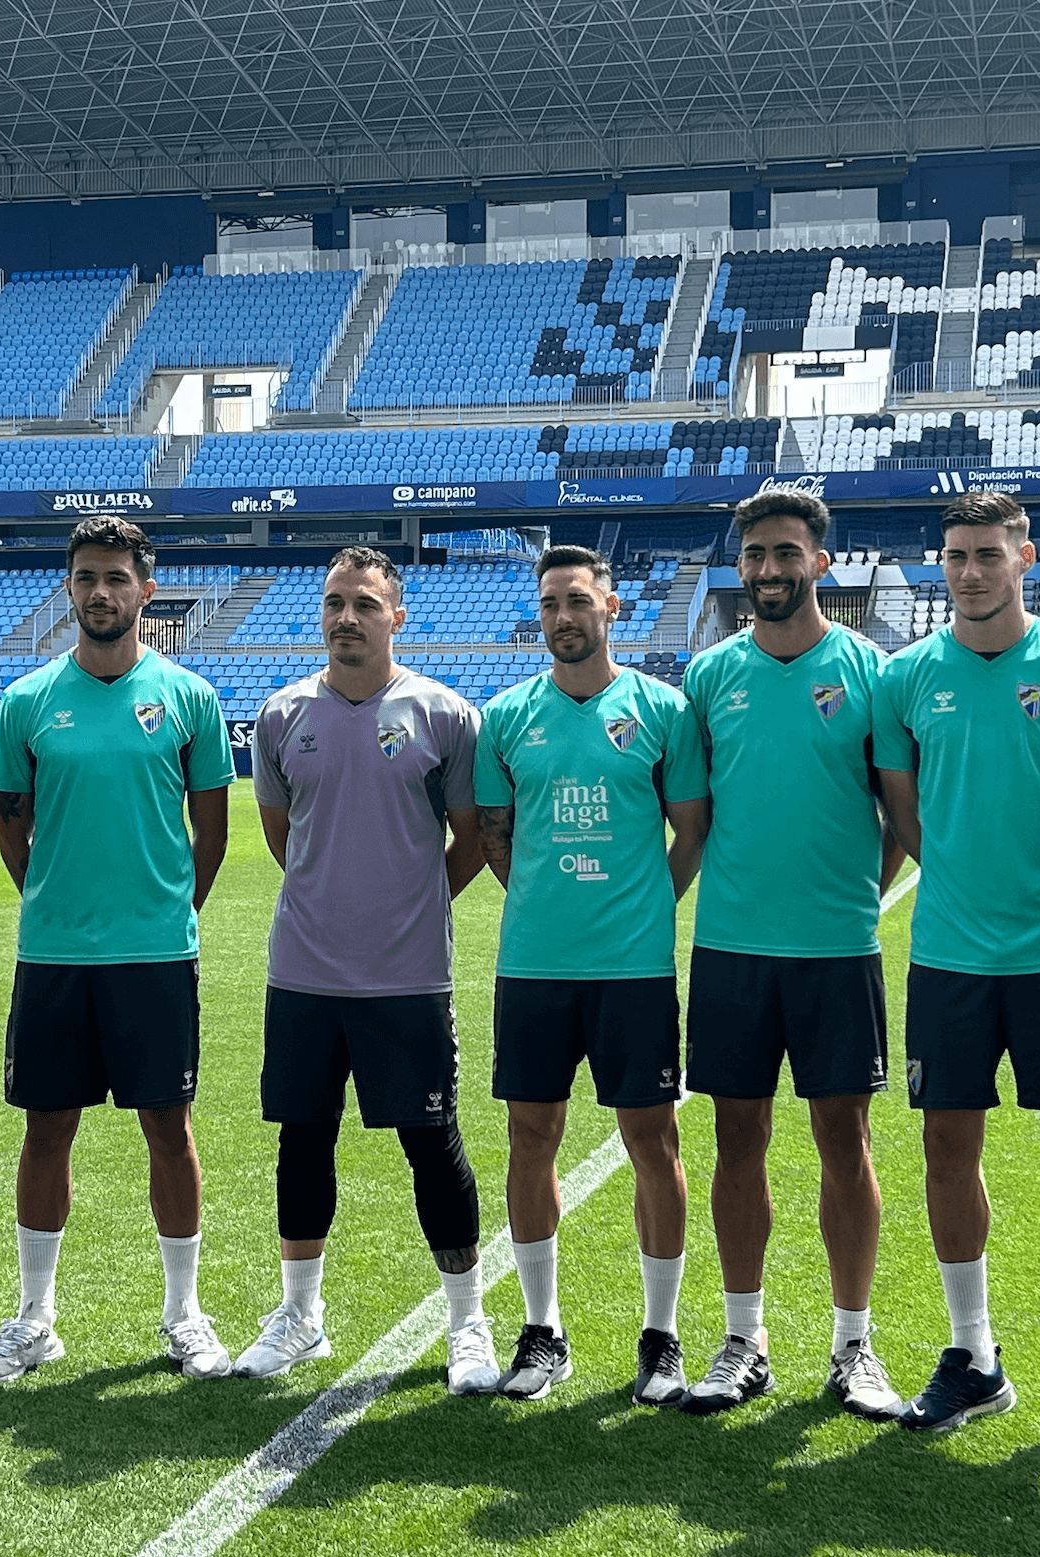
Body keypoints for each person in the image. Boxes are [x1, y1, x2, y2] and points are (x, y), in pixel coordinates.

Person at [873, 490, 1040, 1453]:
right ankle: (973, 1356)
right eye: (955, 555)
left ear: (1026, 555)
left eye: (988, 553)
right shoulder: (905, 679)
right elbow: (903, 815)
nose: (970, 571)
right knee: (948, 1152)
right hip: (947, 956)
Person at [0, 516, 236, 1384]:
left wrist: (161, 911)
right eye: (85, 577)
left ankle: (183, 1314)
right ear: (70, 588)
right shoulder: (25, 702)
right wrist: (60, 902)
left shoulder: (190, 698)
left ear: (145, 589)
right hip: (54, 957)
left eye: (116, 578)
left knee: (171, 1128)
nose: (99, 592)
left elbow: (211, 835)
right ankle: (35, 1317)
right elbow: (13, 832)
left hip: (156, 955)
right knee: (46, 1132)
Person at [233, 546, 499, 1395]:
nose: (347, 617)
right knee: (303, 1142)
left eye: (365, 605)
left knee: (432, 1143)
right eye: (334, 602)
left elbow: (469, 838)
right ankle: (300, 1318)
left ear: (397, 617)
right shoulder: (280, 715)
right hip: (304, 975)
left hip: (409, 979)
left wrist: (409, 903)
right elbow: (284, 839)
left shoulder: (443, 714)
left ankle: (467, 1324)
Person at [681, 489, 906, 1419]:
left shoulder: (871, 674)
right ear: (741, 568)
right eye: (756, 556)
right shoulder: (708, 678)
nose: (770, 571)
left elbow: (898, 820)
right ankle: (744, 1337)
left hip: (833, 950)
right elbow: (692, 818)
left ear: (822, 560)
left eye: (786, 553)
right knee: (739, 1143)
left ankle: (853, 1345)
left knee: (844, 1146)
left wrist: (854, 892)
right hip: (732, 948)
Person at [476, 545, 709, 1407]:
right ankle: (543, 1331)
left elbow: (691, 830)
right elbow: (496, 835)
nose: (563, 617)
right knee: (530, 1137)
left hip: (633, 968)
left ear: (611, 607)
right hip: (534, 966)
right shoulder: (506, 719)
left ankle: (661, 1336)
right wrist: (544, 900)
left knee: (654, 1143)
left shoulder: (661, 712)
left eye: (578, 600)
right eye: (549, 604)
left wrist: (647, 904)